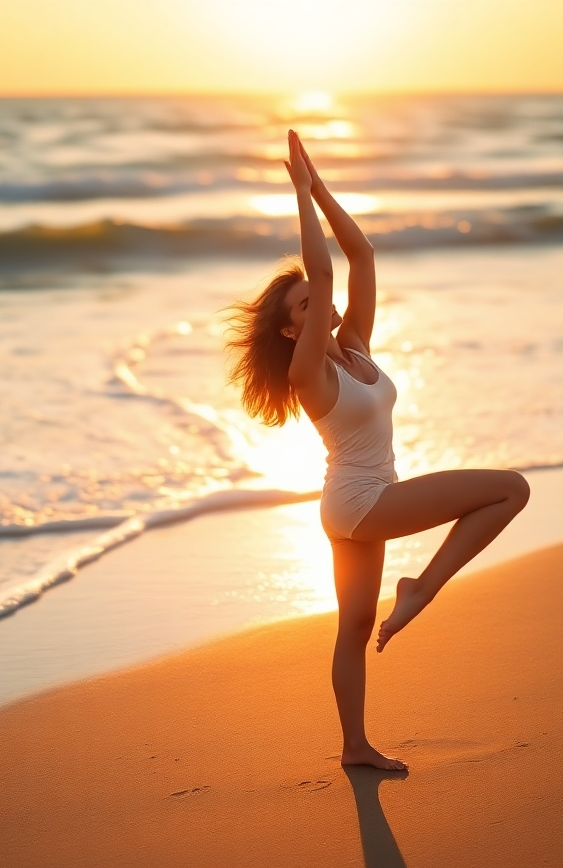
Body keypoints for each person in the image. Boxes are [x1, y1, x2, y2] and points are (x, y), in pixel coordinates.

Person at [226, 131, 529, 771]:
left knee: (355, 628)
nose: (322, 303)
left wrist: (324, 187)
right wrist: (300, 196)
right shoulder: (309, 373)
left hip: (355, 504)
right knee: (510, 487)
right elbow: (325, 267)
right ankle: (421, 586)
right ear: (290, 329)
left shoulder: (356, 344)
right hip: (362, 502)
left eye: (319, 302)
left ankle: (354, 748)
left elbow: (359, 256)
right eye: (306, 305)